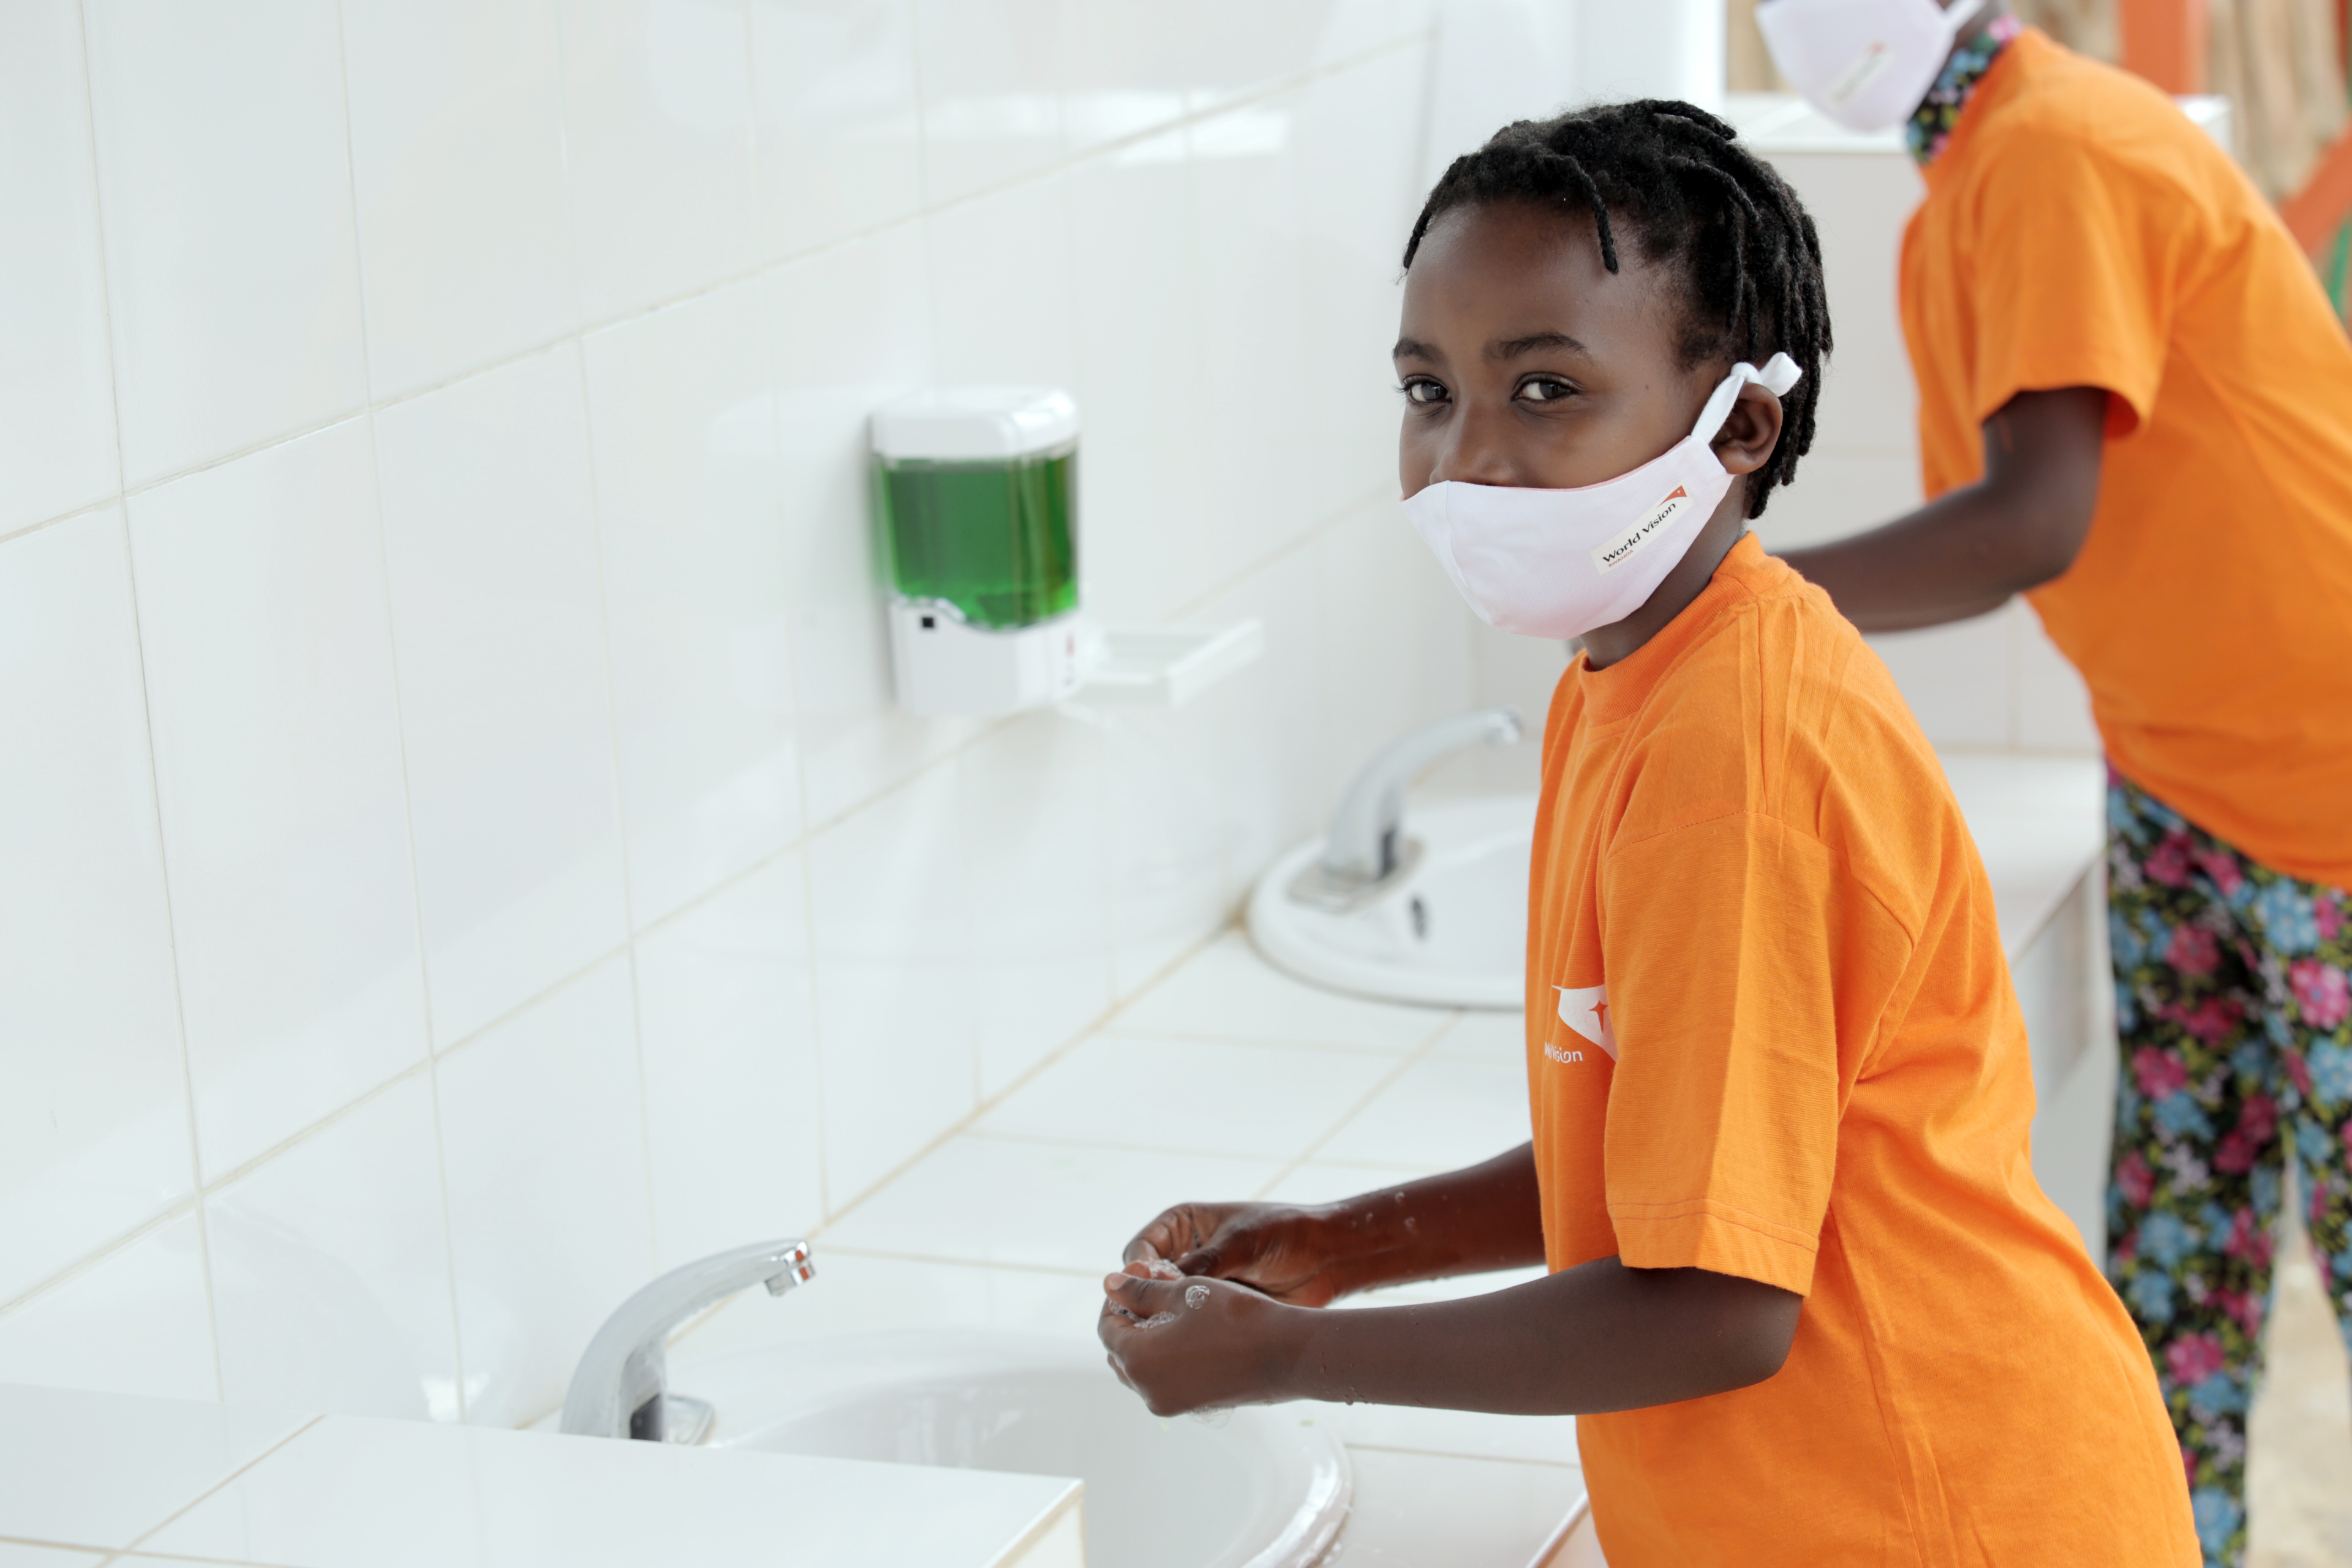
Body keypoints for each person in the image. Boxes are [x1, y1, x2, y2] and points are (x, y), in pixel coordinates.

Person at [1096, 99, 2198, 1566]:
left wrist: (1285, 1359)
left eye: (1544, 390)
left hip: (1936, 1509)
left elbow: (1718, 1305)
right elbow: (1662, 1142)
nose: (1467, 459)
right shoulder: (1635, 668)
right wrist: (1341, 1244)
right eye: (1430, 391)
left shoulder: (1729, 748)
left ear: (1740, 423)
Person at [1755, 3, 2352, 1561]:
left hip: (2331, 790)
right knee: (2181, 1255)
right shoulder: (1976, 179)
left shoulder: (2055, 153)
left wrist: (1724, 596)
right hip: (2184, 773)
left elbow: (2034, 519)